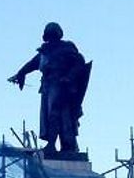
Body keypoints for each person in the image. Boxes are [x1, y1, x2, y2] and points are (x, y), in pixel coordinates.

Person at [8, 22, 88, 154]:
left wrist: (69, 77)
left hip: (62, 85)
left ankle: (60, 145)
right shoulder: (45, 51)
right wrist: (20, 74)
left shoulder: (66, 47)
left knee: (57, 114)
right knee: (51, 115)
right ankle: (58, 145)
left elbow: (79, 62)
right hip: (48, 86)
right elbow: (31, 64)